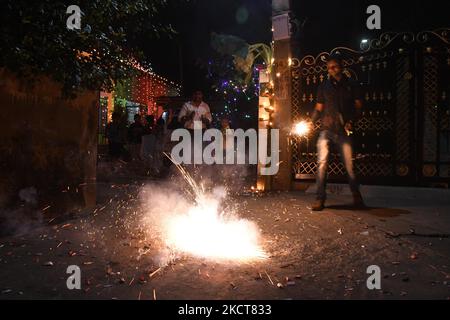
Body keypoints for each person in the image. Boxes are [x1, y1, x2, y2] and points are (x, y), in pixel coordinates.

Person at [309, 56, 365, 211]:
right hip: (326, 129)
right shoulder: (324, 86)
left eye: (334, 67)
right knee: (321, 165)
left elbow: (359, 106)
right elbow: (319, 107)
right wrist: (311, 121)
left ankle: (357, 197)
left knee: (350, 166)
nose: (331, 70)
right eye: (329, 68)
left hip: (344, 131)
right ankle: (320, 199)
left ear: (342, 66)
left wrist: (351, 120)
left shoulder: (352, 85)